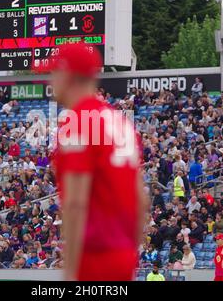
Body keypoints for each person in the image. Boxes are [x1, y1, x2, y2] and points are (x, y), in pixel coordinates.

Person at [37, 42, 149, 281]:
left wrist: (71, 272)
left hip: (94, 257)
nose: (50, 80)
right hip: (123, 256)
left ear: (68, 75)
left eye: (54, 72)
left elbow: (77, 204)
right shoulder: (119, 121)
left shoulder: (78, 121)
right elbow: (141, 199)